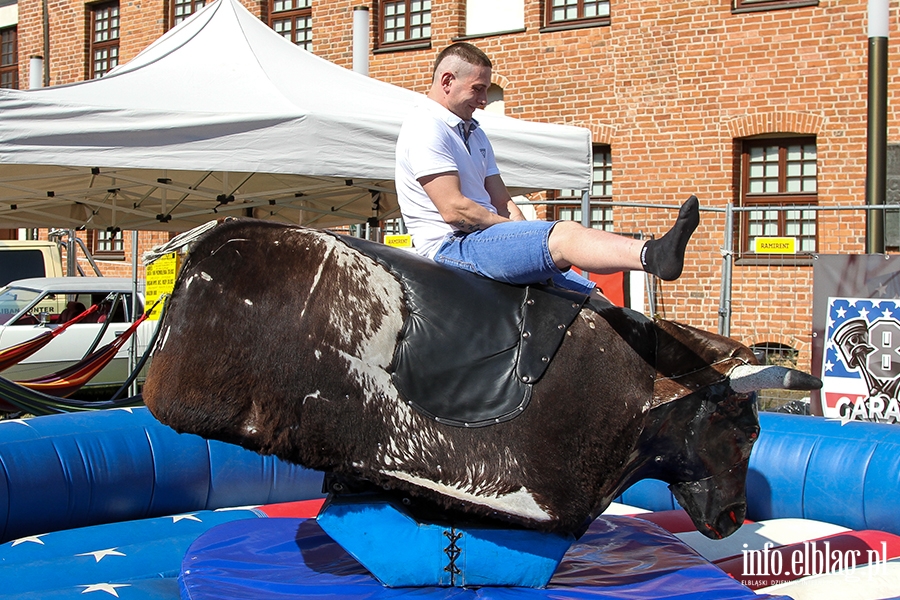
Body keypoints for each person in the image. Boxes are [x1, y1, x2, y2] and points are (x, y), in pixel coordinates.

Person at [395, 42, 700, 297]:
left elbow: (503, 201)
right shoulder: (426, 127)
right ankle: (653, 255)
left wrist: (525, 235)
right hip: (451, 247)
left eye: (486, 90)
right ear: (447, 81)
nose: (485, 101)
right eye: (478, 89)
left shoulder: (475, 132)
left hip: (482, 240)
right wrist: (519, 233)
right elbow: (455, 211)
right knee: (563, 236)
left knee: (592, 295)